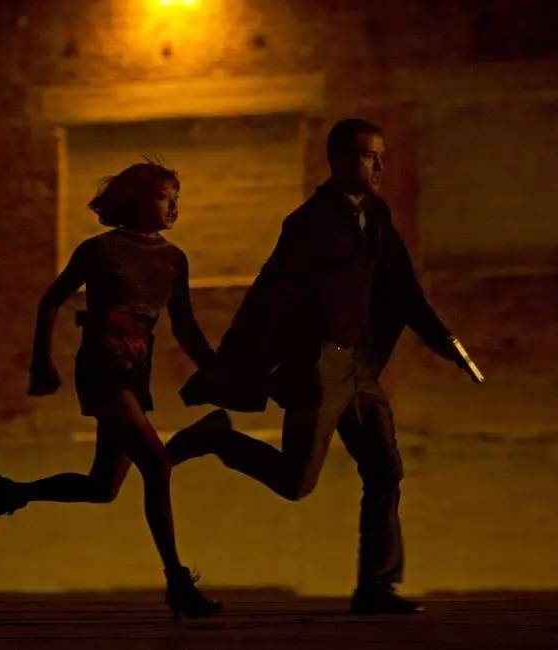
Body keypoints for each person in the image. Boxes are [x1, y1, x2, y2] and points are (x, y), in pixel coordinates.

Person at [168, 118, 472, 614]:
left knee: (385, 469)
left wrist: (446, 342)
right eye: (368, 156)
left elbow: (403, 289)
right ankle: (219, 438)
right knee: (296, 482)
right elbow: (269, 294)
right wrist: (234, 366)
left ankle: (377, 587)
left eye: (382, 156)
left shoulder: (376, 215)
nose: (379, 166)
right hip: (318, 366)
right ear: (339, 160)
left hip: (358, 366)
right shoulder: (308, 224)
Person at [0, 162, 222, 619]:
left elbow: (185, 326)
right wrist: (41, 362)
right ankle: (177, 583)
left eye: (177, 197)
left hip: (135, 373)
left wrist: (217, 368)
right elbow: (51, 301)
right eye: (164, 196)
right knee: (157, 465)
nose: (174, 206)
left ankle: (12, 493)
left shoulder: (174, 259)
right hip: (102, 370)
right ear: (135, 200)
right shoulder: (100, 250)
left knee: (102, 487)